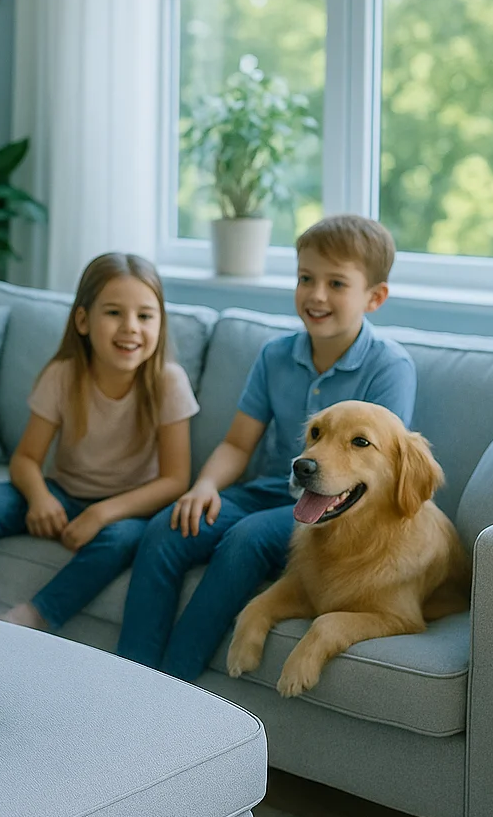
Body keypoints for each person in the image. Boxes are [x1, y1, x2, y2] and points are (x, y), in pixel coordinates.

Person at [116, 215, 417, 681]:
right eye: (305, 279)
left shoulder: (389, 367)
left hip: (339, 508)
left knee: (247, 538)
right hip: (272, 489)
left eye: (336, 283)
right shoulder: (275, 355)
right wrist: (205, 487)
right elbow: (238, 444)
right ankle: (129, 679)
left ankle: (175, 688)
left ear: (373, 297)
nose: (316, 294)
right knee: (167, 529)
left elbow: (380, 475)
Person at [0, 253, 198, 633]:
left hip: (128, 509)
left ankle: (31, 617)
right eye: (114, 313)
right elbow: (26, 459)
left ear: (160, 323)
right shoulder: (63, 375)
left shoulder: (169, 382)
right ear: (83, 320)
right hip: (62, 492)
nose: (131, 328)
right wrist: (39, 498)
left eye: (145, 316)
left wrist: (100, 514)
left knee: (121, 542)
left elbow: (175, 480)